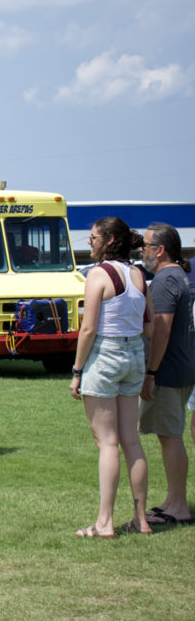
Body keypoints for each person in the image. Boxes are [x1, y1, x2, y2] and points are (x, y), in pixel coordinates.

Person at [69, 217, 154, 537]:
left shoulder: (99, 274)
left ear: (109, 240)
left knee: (107, 442)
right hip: (134, 355)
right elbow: (149, 324)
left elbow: (88, 328)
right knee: (130, 439)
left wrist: (77, 371)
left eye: (93, 238)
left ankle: (104, 523)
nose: (89, 242)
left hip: (105, 355)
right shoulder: (137, 274)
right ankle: (141, 519)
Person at [138, 223, 195, 527]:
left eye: (145, 245)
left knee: (170, 436)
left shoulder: (164, 280)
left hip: (168, 371)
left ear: (159, 250)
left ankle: (177, 505)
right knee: (169, 435)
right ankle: (174, 501)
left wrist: (151, 372)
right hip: (181, 367)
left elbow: (161, 328)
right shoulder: (178, 276)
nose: (141, 251)